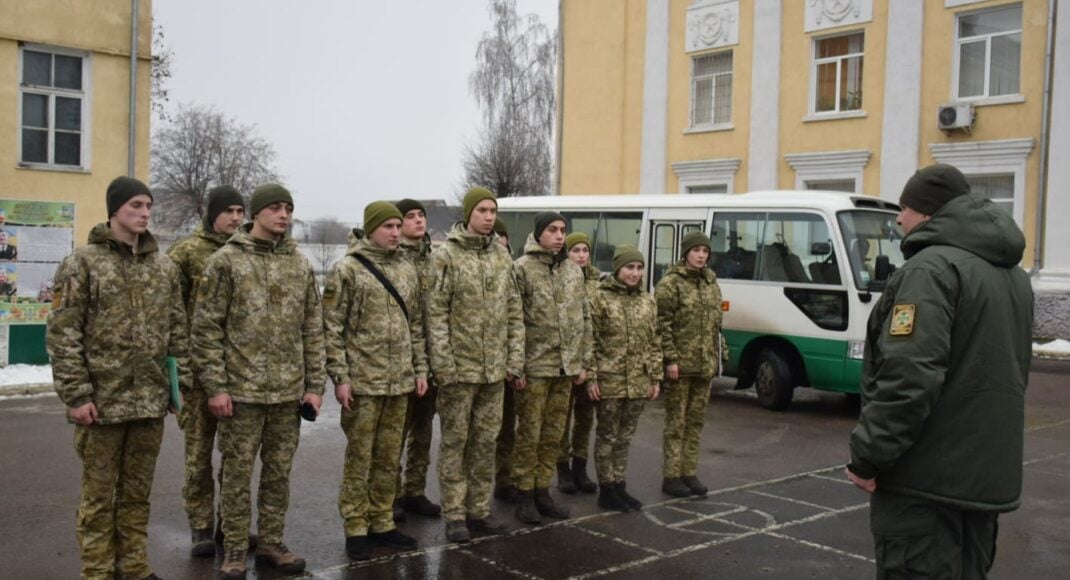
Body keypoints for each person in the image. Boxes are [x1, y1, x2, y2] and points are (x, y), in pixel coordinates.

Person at [846, 164, 1033, 579]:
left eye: (906, 207)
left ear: (930, 213)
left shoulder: (929, 271)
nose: (898, 218)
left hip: (924, 483)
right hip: (981, 482)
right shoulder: (1012, 276)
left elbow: (908, 378)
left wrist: (867, 457)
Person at [47, 176, 190, 580]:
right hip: (102, 404)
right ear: (114, 210)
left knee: (136, 495)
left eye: (148, 205)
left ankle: (135, 566)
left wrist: (177, 389)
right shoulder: (84, 263)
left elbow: (177, 333)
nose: (144, 213)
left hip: (148, 403)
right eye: (135, 206)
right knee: (98, 498)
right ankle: (97, 572)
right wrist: (76, 395)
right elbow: (63, 333)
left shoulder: (163, 267)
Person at [192, 183, 326, 579]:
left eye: (288, 207)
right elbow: (206, 329)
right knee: (236, 473)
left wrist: (314, 386)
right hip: (242, 392)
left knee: (278, 472)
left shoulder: (298, 263)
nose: (284, 214)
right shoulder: (227, 261)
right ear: (257, 213)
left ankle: (271, 541)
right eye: (275, 208)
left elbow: (312, 328)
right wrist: (216, 386)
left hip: (287, 393)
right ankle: (234, 547)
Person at [324, 202, 428, 561]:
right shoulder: (347, 270)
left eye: (399, 226)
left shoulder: (406, 268)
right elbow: (332, 328)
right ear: (371, 229)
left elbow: (415, 325)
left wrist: (419, 370)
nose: (396, 232)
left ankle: (382, 521)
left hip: (398, 382)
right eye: (388, 226)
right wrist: (340, 377)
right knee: (360, 458)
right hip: (363, 383)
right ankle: (355, 526)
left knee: (387, 457)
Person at [427, 186, 524, 543]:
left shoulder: (501, 257)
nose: (488, 216)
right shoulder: (446, 256)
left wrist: (514, 359)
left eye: (492, 210)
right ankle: (455, 514)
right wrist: (444, 365)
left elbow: (514, 311)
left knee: (486, 442)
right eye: (482, 209)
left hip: (494, 372)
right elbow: (435, 314)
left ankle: (479, 510)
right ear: (468, 213)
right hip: (459, 372)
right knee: (456, 442)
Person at [166, 185, 246, 557]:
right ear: (212, 213)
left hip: (240, 375)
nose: (235, 217)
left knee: (237, 457)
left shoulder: (246, 252)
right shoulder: (185, 252)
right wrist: (178, 369)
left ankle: (232, 527)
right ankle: (201, 526)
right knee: (198, 455)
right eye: (228, 210)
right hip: (198, 376)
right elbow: (169, 312)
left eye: (240, 211)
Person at [510, 212, 592, 525]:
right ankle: (525, 494)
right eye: (552, 230)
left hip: (565, 368)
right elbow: (514, 319)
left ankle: (543, 491)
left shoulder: (573, 271)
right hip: (535, 366)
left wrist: (583, 362)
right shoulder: (522, 269)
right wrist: (517, 366)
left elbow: (584, 318)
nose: (559, 236)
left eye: (562, 230)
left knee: (553, 436)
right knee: (529, 434)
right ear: (539, 234)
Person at [588, 246, 662, 512]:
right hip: (610, 379)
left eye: (639, 268)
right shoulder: (600, 298)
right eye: (629, 267)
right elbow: (590, 340)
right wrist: (592, 377)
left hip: (638, 380)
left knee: (625, 436)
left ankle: (619, 484)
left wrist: (655, 377)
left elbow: (655, 341)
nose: (635, 273)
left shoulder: (647, 300)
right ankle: (606, 488)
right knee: (607, 435)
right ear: (618, 269)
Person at [655, 231, 726, 498]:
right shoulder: (670, 284)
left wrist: (720, 354)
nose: (701, 255)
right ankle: (671, 475)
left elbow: (716, 324)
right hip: (680, 367)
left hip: (704, 365)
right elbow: (662, 326)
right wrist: (670, 359)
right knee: (676, 423)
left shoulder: (711, 282)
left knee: (695, 422)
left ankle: (689, 471)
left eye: (705, 251)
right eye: (696, 250)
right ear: (685, 253)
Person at [392, 198, 442, 521]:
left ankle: (414, 490)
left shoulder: (435, 259)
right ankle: (392, 494)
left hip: (433, 356)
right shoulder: (394, 259)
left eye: (421, 215)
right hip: (402, 356)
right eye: (409, 216)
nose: (418, 221)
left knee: (423, 430)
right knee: (396, 432)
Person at [556, 232, 601, 494]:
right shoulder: (561, 279)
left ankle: (580, 468)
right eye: (576, 251)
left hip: (591, 364)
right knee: (561, 419)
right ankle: (562, 469)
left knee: (585, 418)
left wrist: (592, 367)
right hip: (566, 364)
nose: (581, 255)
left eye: (585, 250)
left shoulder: (599, 284)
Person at [493, 216, 520, 503]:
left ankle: (504, 479)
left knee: (508, 429)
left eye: (504, 239)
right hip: (481, 366)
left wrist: (516, 361)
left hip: (509, 364)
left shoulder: (512, 269)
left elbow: (517, 319)